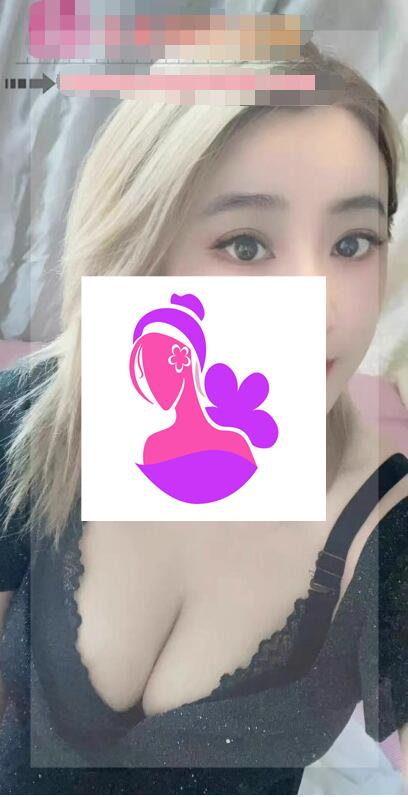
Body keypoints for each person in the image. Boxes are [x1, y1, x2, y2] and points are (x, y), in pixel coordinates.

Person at [0, 39, 407, 795]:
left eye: (353, 242)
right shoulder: (32, 419)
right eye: (246, 245)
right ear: (138, 248)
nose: (319, 308)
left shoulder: (387, 528)